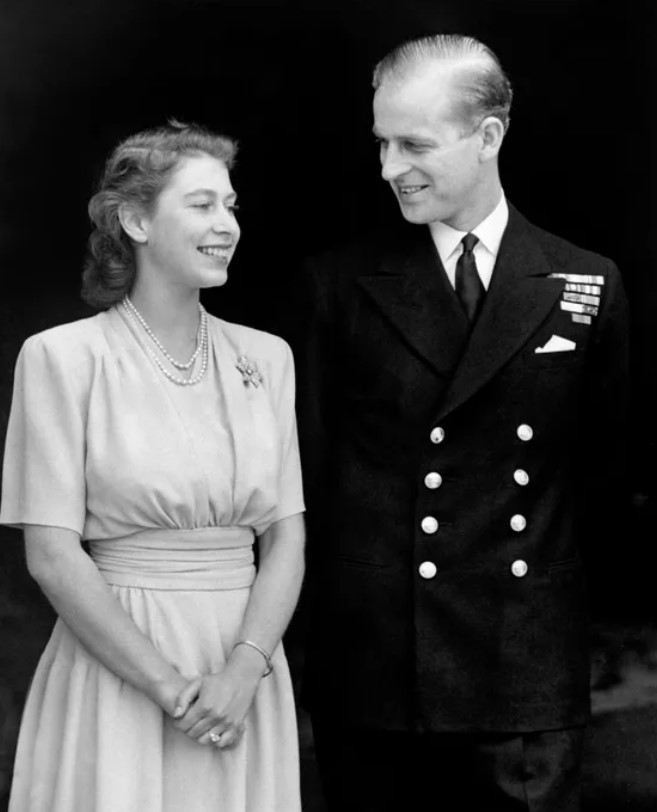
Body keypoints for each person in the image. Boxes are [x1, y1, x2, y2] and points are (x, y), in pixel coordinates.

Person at [298, 34, 629, 811]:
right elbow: (308, 475)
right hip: (379, 669)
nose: (388, 169)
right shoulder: (337, 286)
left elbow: (605, 477)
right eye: (380, 143)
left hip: (522, 669)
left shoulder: (587, 281)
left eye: (413, 145)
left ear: (488, 137)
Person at [0, 121, 305, 812]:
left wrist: (241, 673)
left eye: (230, 206)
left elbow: (286, 536)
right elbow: (51, 555)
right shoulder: (61, 359)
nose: (225, 223)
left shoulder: (268, 357)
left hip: (244, 670)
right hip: (117, 667)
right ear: (135, 220)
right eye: (201, 204)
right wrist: (170, 689)